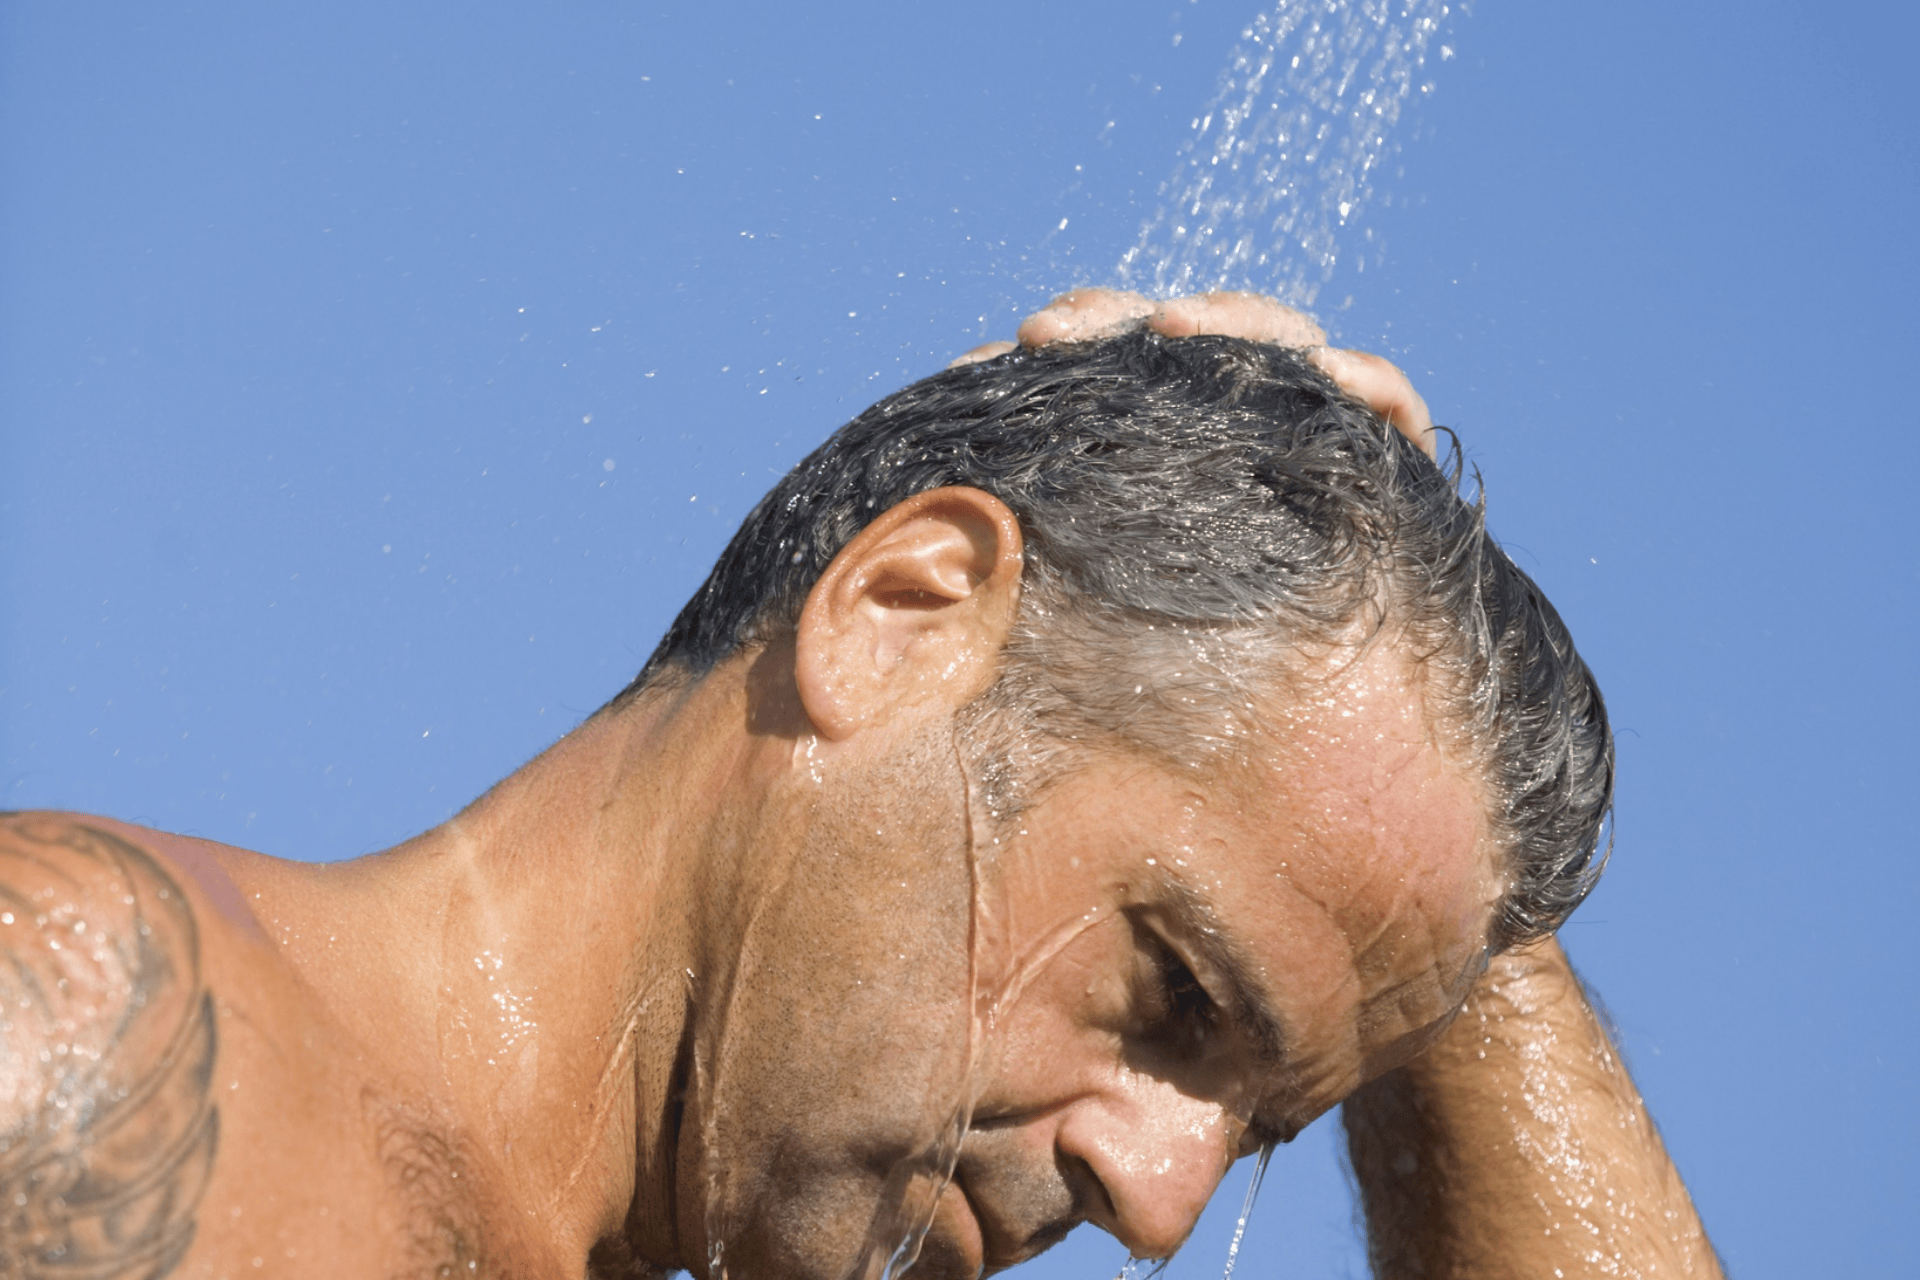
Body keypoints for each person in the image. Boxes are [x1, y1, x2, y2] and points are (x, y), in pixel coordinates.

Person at [0, 291, 1720, 1279]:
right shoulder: (87, 1034)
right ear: (901, 620)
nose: (1163, 1206)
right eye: (1176, 996)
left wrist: (1439, 831)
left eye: (1264, 1124)